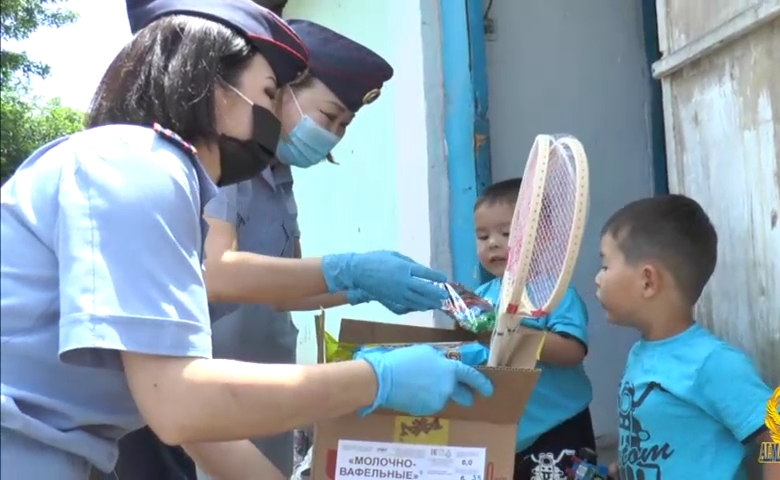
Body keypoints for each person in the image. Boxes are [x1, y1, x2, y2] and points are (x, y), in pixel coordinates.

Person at [0, 1, 494, 479]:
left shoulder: (144, 168)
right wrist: (375, 380)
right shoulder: (140, 166)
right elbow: (179, 403)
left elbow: (178, 403)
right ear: (211, 82)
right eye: (268, 92)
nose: (275, 116)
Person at [112, 19, 400, 480]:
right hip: (198, 385)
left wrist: (369, 287)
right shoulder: (213, 165)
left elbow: (288, 288)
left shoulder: (278, 176)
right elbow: (217, 271)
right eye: (328, 118)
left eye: (344, 126)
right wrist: (349, 273)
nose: (333, 136)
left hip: (256, 393)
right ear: (280, 91)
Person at [596, 194, 780, 480]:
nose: (598, 278)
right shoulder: (641, 353)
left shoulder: (710, 362)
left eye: (605, 266)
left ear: (648, 281)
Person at [471, 178, 596, 480]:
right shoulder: (484, 295)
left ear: (543, 236)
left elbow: (572, 350)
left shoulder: (554, 293)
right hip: (509, 430)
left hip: (559, 426)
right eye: (482, 235)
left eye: (506, 233)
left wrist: (513, 334)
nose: (493, 243)